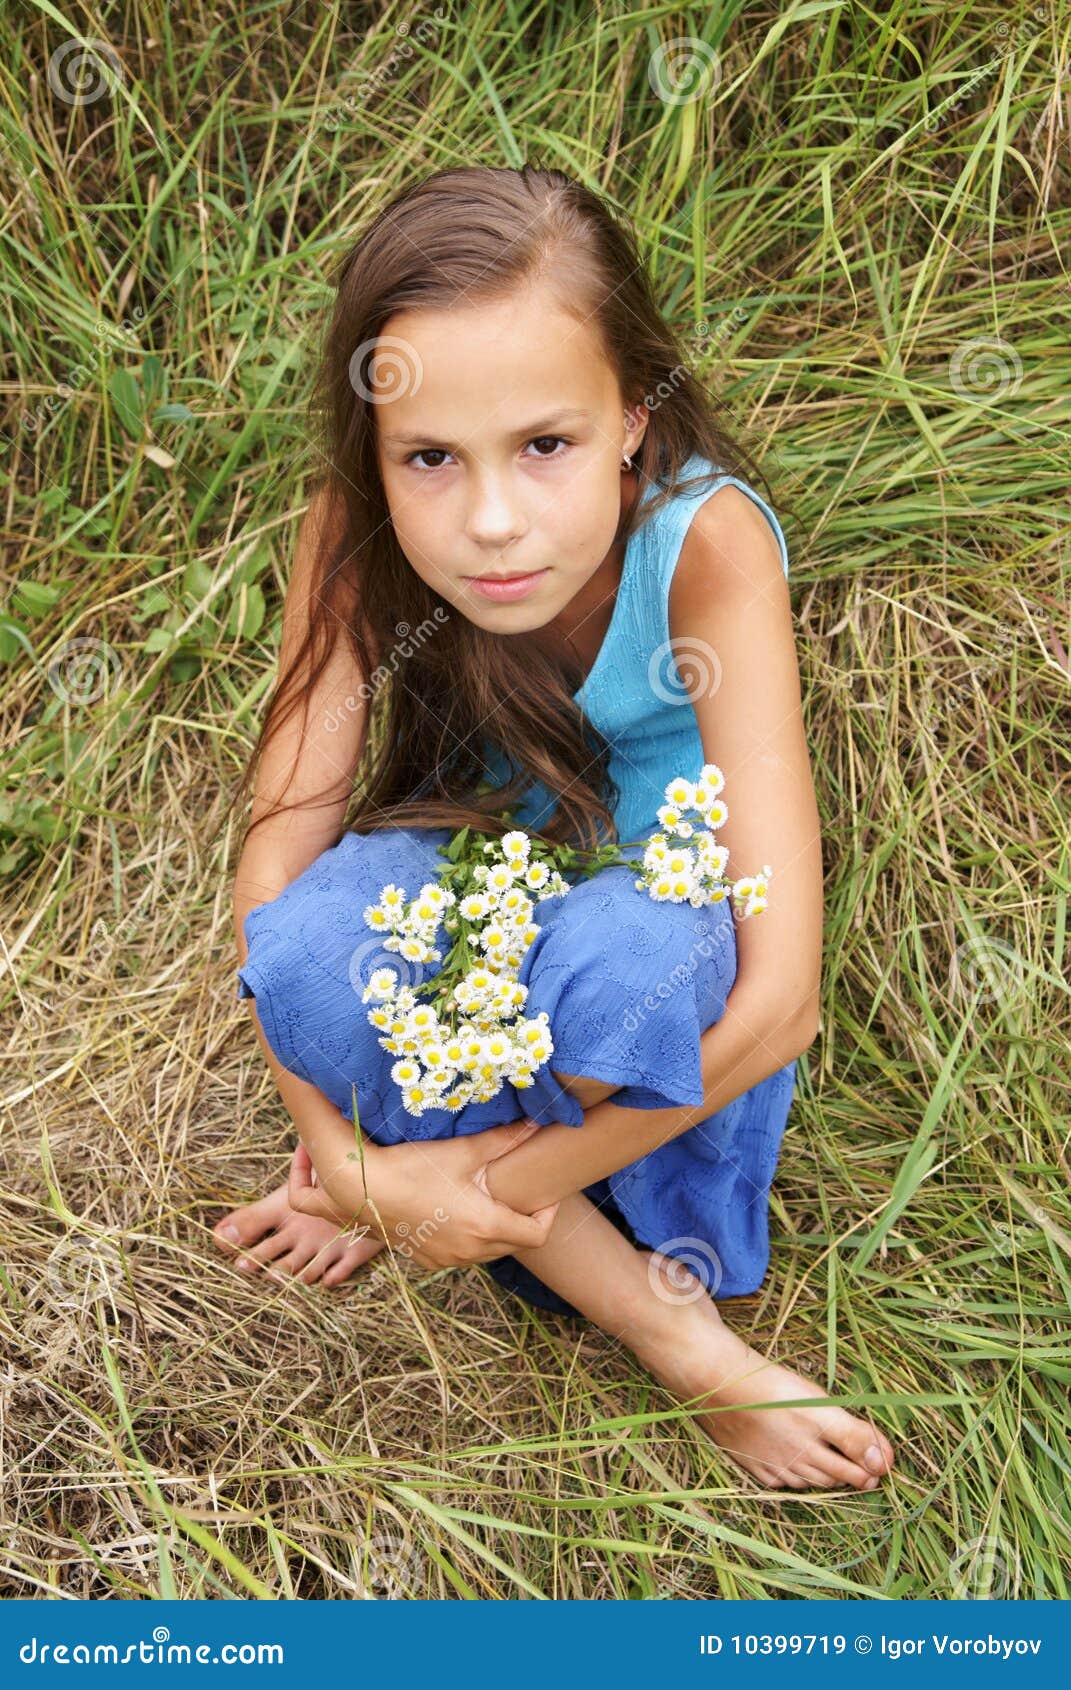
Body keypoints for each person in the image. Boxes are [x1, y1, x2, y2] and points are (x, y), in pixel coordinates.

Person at [213, 164, 896, 1495]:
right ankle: (633, 1302)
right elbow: (275, 865)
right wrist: (354, 1164)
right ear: (377, 455)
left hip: (650, 972)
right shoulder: (354, 533)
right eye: (429, 459)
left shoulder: (708, 547)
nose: (492, 521)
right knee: (309, 953)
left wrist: (436, 1180)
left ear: (632, 418)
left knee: (611, 965)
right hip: (493, 891)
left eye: (546, 443)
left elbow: (781, 1001)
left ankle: (670, 1328)